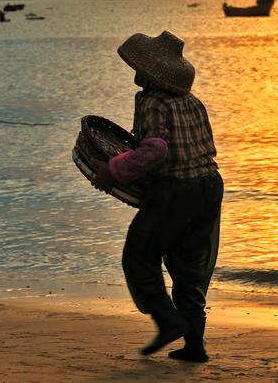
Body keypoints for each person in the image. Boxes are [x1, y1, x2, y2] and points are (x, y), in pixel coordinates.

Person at [91, 31, 223, 362]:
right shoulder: (192, 101)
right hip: (209, 186)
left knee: (139, 255)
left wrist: (113, 171)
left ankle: (168, 321)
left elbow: (156, 150)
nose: (134, 71)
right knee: (188, 266)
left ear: (149, 74)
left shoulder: (151, 101)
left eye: (138, 67)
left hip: (177, 189)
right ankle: (195, 345)